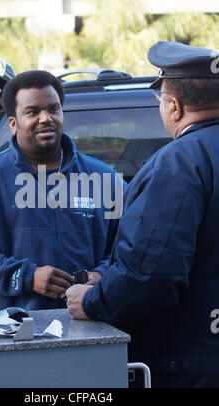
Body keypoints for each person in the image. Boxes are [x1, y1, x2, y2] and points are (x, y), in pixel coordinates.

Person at [66, 41, 219, 388]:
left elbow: (151, 276)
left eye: (159, 100)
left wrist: (91, 301)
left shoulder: (179, 162)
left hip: (190, 366)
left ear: (174, 106)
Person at [0, 70, 123, 313]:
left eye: (54, 109)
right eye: (32, 112)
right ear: (13, 123)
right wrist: (27, 276)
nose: (46, 118)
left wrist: (104, 275)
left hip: (93, 325)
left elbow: (130, 243)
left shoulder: (104, 178)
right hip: (13, 332)